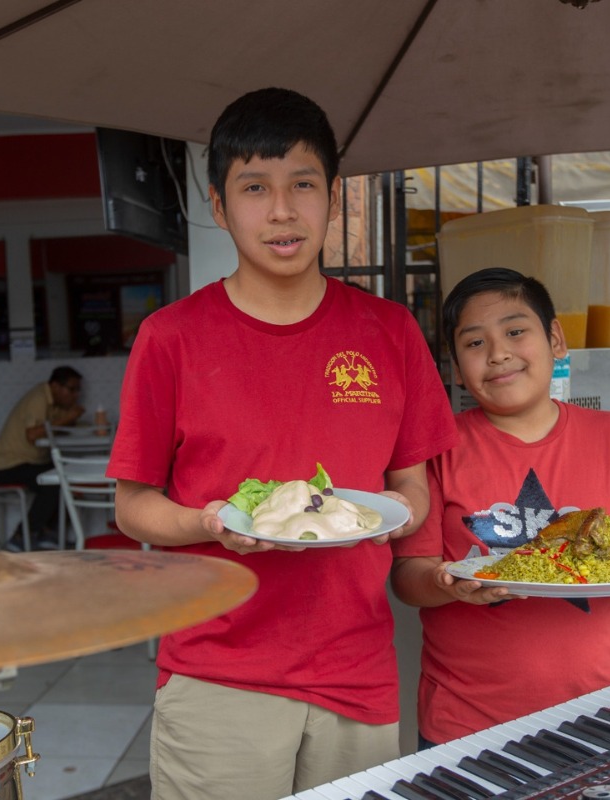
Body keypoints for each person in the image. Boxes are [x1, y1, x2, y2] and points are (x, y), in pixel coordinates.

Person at [106, 87, 457, 800]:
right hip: (217, 677)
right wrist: (207, 522)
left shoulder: (389, 331)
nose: (282, 211)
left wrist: (391, 517)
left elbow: (413, 487)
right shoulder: (170, 337)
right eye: (254, 188)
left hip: (357, 675)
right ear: (218, 204)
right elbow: (133, 505)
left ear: (333, 196)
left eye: (302, 184)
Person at [390, 267, 610, 748]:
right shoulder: (438, 449)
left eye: (516, 332)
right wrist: (446, 584)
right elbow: (408, 577)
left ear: (555, 339)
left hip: (604, 711)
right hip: (467, 723)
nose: (498, 353)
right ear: (454, 366)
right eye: (474, 343)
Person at [0, 365, 85, 549]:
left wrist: (71, 418)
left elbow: (56, 428)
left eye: (78, 390)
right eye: (72, 389)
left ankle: (49, 535)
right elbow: (32, 435)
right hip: (11, 465)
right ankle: (20, 537)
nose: (76, 395)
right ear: (55, 386)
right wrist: (69, 418)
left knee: (67, 477)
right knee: (55, 481)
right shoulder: (38, 398)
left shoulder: (55, 403)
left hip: (33, 461)